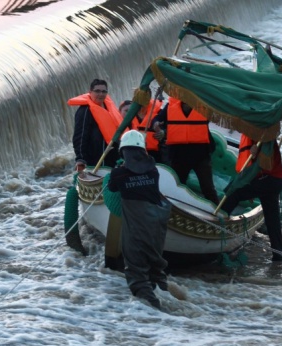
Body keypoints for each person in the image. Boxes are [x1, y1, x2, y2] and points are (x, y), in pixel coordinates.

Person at [107, 130, 172, 310]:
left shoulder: (119, 174)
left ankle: (154, 311)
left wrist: (117, 169)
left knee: (136, 270)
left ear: (123, 152)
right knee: (156, 268)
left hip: (137, 226)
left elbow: (112, 188)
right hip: (157, 225)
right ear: (143, 151)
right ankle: (166, 295)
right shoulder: (153, 171)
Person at [221, 134, 282, 262]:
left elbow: (265, 160)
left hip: (268, 179)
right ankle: (279, 255)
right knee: (272, 219)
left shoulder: (264, 135)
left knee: (234, 191)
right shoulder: (261, 133)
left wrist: (256, 153)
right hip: (275, 180)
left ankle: (219, 223)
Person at [152, 97, 219, 204]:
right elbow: (157, 118)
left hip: (201, 155)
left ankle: (217, 214)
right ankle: (177, 210)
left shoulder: (204, 105)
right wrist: (156, 124)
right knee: (177, 186)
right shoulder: (171, 105)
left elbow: (219, 110)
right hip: (179, 155)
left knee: (208, 188)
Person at [69, 79, 123, 172]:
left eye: (103, 91)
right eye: (97, 91)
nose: (101, 94)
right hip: (95, 159)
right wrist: (80, 158)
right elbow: (79, 136)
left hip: (112, 155)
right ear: (90, 92)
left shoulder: (108, 107)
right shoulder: (84, 111)